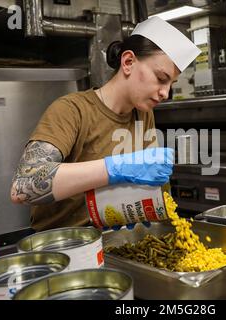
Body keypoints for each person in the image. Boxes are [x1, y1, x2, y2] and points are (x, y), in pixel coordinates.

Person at [10, 16, 201, 232]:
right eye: (160, 78)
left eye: (171, 84)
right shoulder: (72, 111)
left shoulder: (142, 114)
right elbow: (24, 186)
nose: (165, 93)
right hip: (63, 245)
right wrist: (114, 168)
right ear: (128, 62)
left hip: (110, 239)